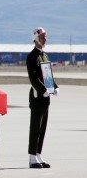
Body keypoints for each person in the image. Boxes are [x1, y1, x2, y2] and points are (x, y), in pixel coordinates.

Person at [26, 27, 59, 168]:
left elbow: (47, 75)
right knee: (35, 127)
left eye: (46, 36)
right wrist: (42, 90)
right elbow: (33, 77)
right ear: (36, 38)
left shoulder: (44, 56)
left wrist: (54, 86)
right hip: (37, 96)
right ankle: (32, 156)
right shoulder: (32, 56)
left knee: (43, 127)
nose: (45, 39)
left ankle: (38, 154)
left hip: (45, 97)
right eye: (43, 37)